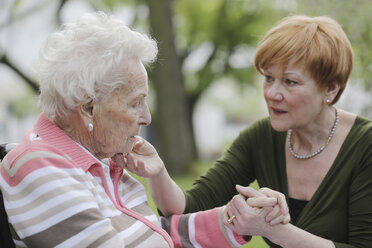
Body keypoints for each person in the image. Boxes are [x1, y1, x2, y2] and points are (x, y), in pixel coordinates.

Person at [0, 11, 290, 248]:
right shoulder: (38, 168)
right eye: (135, 103)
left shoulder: (103, 159)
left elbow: (154, 234)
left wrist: (235, 219)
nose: (147, 117)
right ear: (88, 108)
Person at [138, 15, 372, 247]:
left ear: (330, 88)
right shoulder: (261, 137)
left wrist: (274, 231)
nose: (272, 93)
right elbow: (187, 208)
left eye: (290, 82)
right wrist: (156, 172)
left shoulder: (366, 145)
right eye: (269, 78)